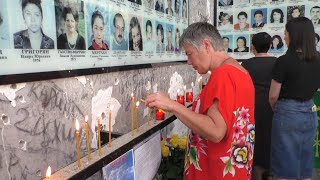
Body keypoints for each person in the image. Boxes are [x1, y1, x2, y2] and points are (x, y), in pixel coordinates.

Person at [145, 21, 255, 179]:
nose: (189, 62)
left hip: (215, 172)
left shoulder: (223, 75)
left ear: (206, 45)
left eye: (189, 53)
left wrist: (173, 105)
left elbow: (216, 132)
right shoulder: (239, 71)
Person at [269, 17, 320, 180]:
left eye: (286, 33)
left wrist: (278, 109)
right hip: (310, 110)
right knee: (305, 160)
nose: (284, 36)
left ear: (294, 35)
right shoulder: (318, 58)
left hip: (287, 112)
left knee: (284, 162)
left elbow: (273, 95)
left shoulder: (284, 61)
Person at [242, 32, 276, 180]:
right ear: (270, 46)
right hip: (272, 108)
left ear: (253, 47)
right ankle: (269, 174)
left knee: (255, 140)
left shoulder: (247, 64)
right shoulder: (277, 62)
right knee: (270, 140)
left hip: (252, 109)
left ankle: (254, 173)